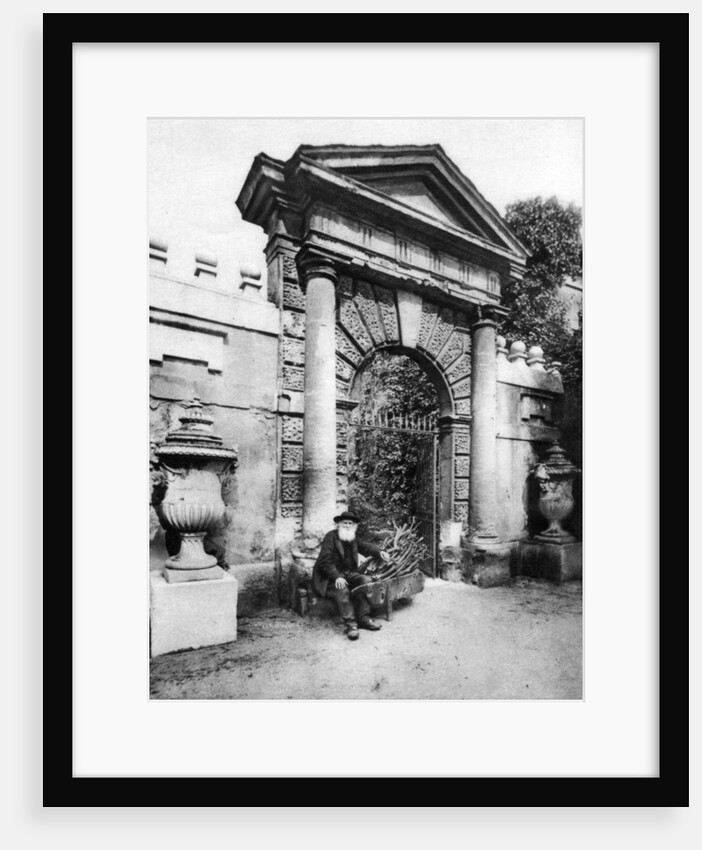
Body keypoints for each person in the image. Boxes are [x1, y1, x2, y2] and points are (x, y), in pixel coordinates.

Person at [312, 510, 391, 640]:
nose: (347, 526)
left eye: (350, 523)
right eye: (344, 523)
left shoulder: (352, 537)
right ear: (338, 525)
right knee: (341, 589)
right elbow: (325, 561)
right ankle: (351, 625)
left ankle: (364, 618)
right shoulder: (330, 537)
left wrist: (379, 552)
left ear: (354, 526)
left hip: (348, 574)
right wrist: (337, 577)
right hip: (330, 576)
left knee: (366, 581)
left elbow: (366, 547)